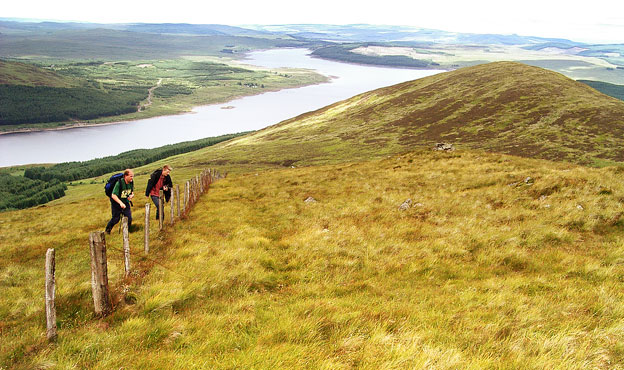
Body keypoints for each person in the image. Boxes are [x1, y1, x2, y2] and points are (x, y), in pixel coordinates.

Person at [105, 169, 135, 234]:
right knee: (116, 219)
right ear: (125, 176)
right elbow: (113, 195)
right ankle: (107, 231)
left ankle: (127, 233)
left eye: (133, 176)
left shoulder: (131, 182)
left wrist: (131, 196)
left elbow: (131, 191)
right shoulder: (119, 183)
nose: (132, 178)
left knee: (129, 218)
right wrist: (120, 203)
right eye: (131, 176)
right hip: (116, 203)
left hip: (125, 202)